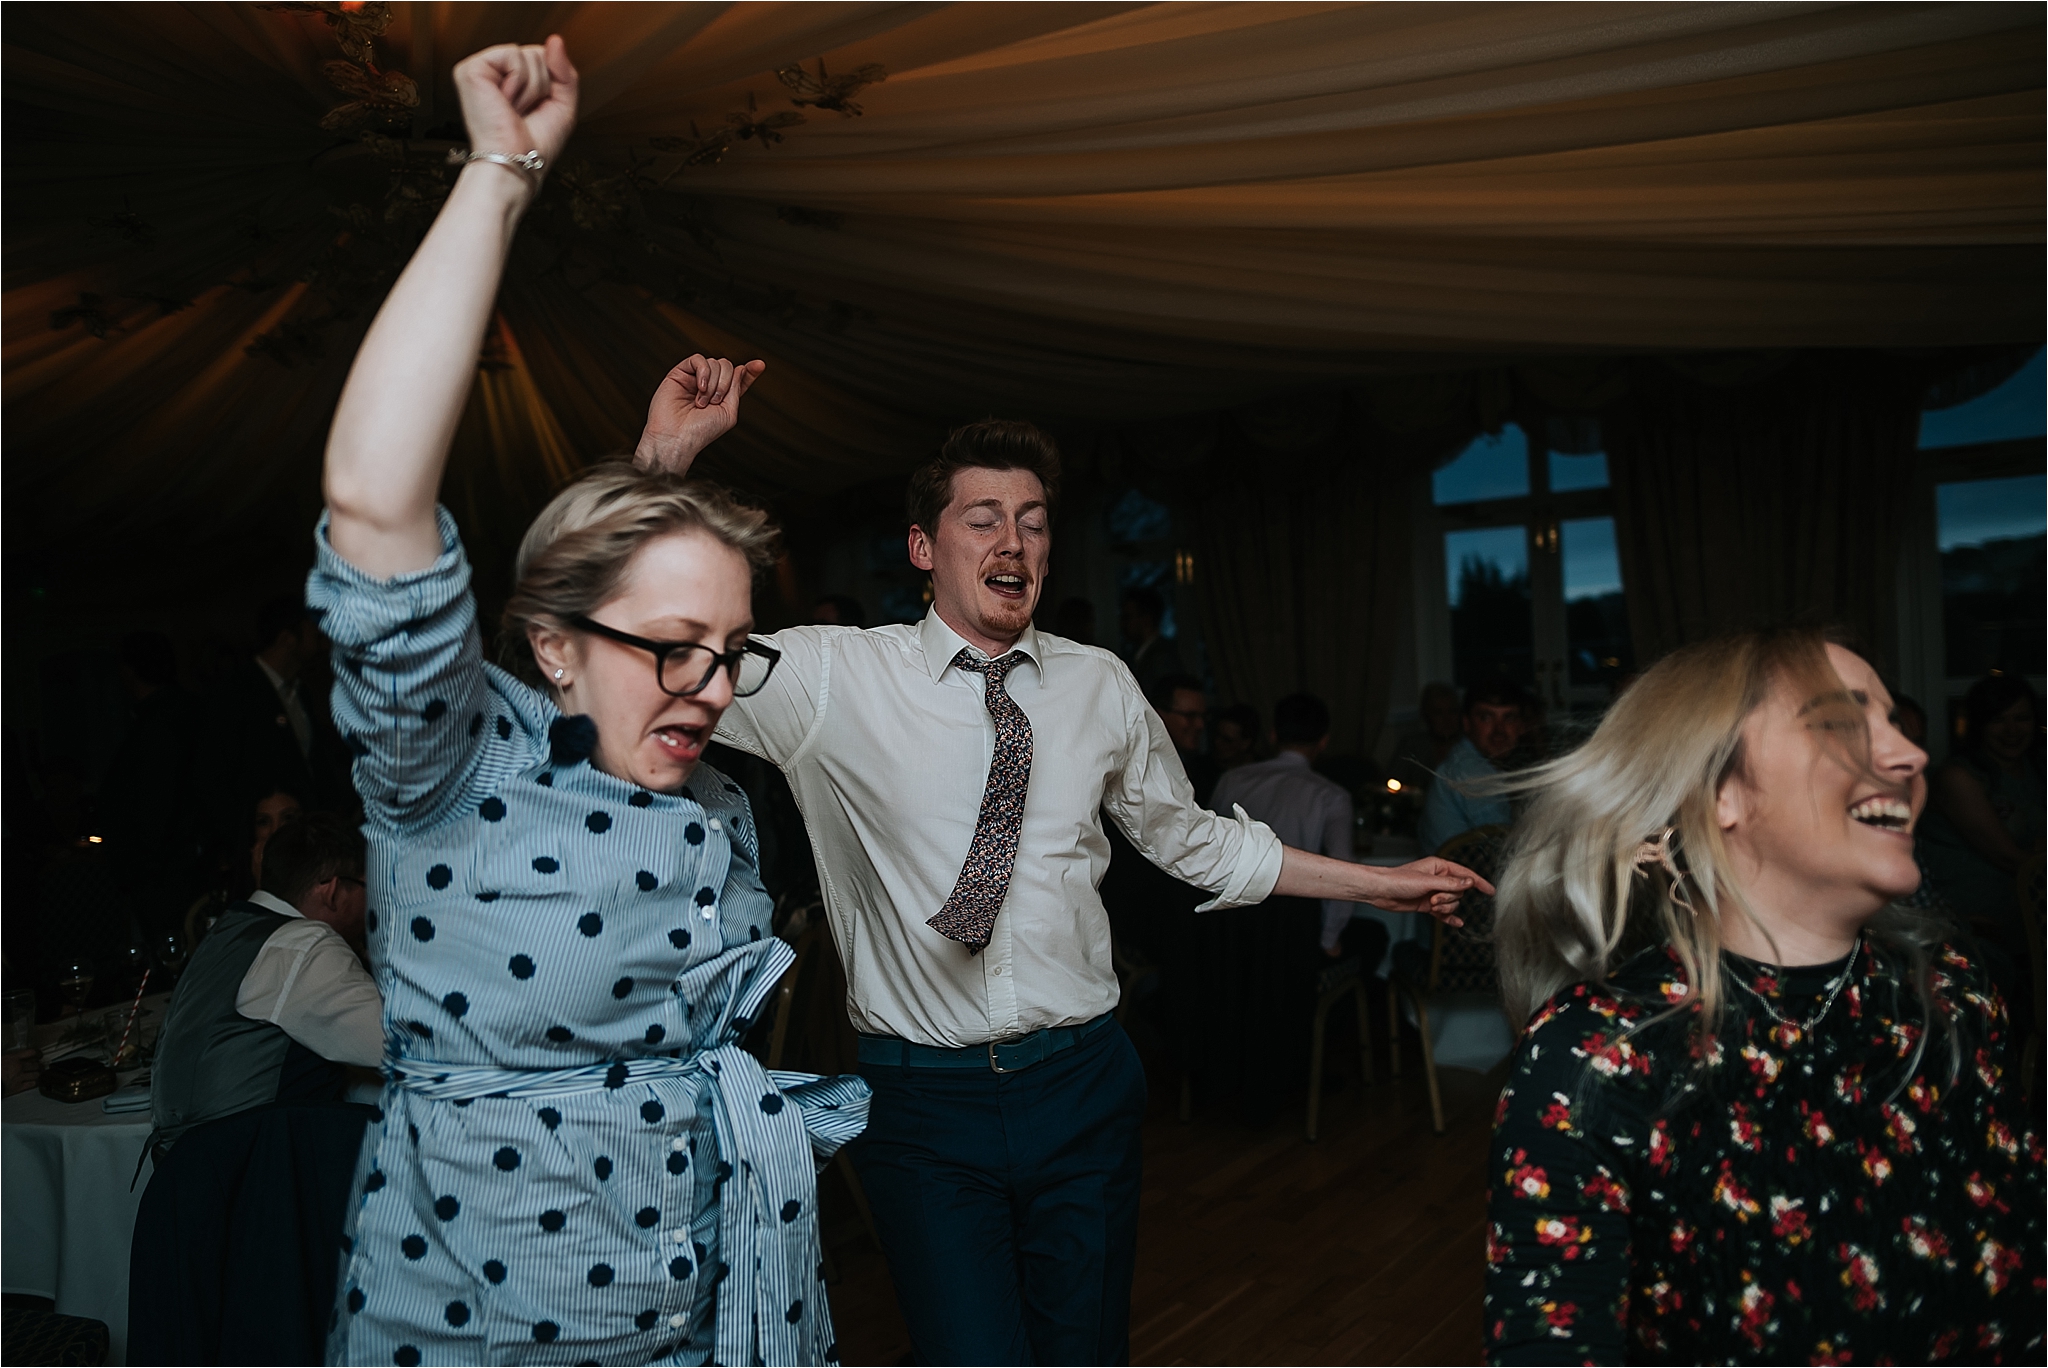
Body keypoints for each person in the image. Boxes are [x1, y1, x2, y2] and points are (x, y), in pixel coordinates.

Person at [642, 407, 1487, 1364]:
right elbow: (660, 655)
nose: (1014, 541)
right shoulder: (832, 679)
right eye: (983, 517)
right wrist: (660, 467)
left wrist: (1382, 885)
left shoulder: (1099, 683)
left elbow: (1196, 842)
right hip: (926, 1108)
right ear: (923, 547)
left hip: (1083, 1083)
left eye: (1034, 520)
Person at [311, 37, 864, 1366]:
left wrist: (663, 467)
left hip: (713, 1290)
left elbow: (616, 623)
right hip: (490, 1316)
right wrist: (502, 172)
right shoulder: (449, 766)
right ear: (550, 650)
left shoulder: (708, 790)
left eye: (733, 650)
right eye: (678, 646)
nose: (712, 687)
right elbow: (375, 500)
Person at [1484, 627, 2043, 1363]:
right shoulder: (1594, 1056)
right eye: (1842, 724)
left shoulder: (1951, 995)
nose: (1910, 756)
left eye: (1895, 725)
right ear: (1720, 793)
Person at [1200, 692, 1387, 1121]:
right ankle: (1313, 1058)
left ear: (1271, 735)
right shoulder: (1331, 795)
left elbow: (1206, 858)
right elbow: (1343, 874)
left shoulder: (1233, 780)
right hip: (1293, 940)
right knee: (1372, 938)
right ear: (1323, 742)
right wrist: (1330, 939)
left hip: (1229, 931)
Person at [150, 812, 381, 1152]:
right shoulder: (304, 945)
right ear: (332, 891)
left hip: (187, 1171)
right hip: (253, 1175)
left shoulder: (230, 930)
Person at [1417, 676, 1530, 854]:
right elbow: (1504, 850)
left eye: (1509, 718)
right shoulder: (1471, 770)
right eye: (1486, 718)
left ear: (1522, 726)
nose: (1499, 731)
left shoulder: (1467, 760)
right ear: (1467, 723)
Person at [1147, 671, 1219, 804]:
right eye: (1190, 716)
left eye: (1203, 716)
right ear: (1159, 715)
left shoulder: (1200, 771)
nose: (1200, 725)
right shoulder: (1145, 770)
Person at [1389, 680, 1462, 797]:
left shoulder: (1470, 747)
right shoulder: (1412, 745)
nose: (1447, 719)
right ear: (1427, 715)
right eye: (1438, 713)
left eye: (1452, 712)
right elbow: (1393, 783)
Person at [1118, 585, 1183, 698]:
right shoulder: (1139, 654)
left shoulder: (1161, 657)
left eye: (1127, 617)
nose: (1122, 624)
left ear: (1146, 619)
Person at [1211, 701, 1258, 772]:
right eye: (1217, 735)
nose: (1217, 742)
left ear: (1246, 743)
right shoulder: (1203, 769)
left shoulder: (1263, 773)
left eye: (1227, 740)